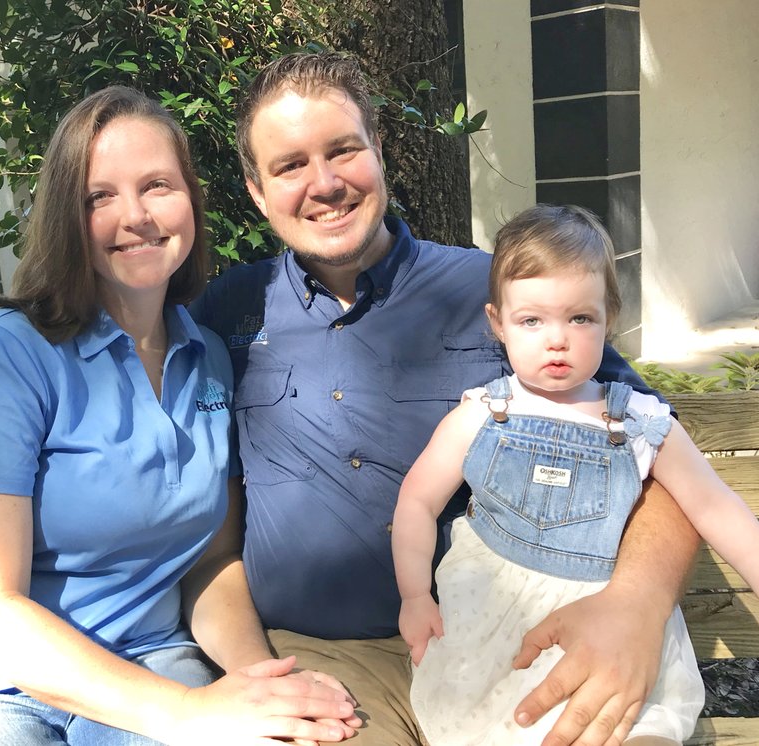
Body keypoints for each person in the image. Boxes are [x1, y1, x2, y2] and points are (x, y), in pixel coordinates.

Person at [191, 52, 701, 745]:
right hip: (331, 667)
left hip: (511, 649)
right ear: (256, 191)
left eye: (343, 150)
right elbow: (199, 525)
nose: (325, 183)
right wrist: (261, 675)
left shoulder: (496, 295)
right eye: (290, 166)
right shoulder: (228, 311)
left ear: (379, 150)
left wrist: (638, 603)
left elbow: (658, 450)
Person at [0, 86, 362, 746]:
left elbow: (211, 561)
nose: (136, 216)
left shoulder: (206, 357)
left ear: (190, 199)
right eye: (99, 197)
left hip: (151, 666)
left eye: (157, 185)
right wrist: (187, 712)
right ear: (66, 217)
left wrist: (264, 681)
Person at [395, 203, 759, 744]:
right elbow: (417, 501)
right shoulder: (482, 413)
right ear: (498, 323)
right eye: (532, 320)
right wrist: (414, 596)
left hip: (612, 629)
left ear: (609, 316)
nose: (557, 339)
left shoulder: (640, 423)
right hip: (494, 636)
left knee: (634, 729)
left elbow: (716, 507)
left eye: (579, 318)